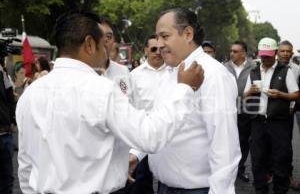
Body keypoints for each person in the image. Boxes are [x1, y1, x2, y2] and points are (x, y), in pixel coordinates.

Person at [15, 10, 204, 194]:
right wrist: (185, 89)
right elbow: (150, 136)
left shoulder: (29, 95)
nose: (106, 49)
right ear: (89, 44)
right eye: (102, 43)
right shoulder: (101, 90)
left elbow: (25, 167)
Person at [129, 8, 241, 194]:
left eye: (165, 36)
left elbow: (224, 146)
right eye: (157, 38)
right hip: (165, 187)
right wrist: (136, 154)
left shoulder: (213, 75)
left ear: (188, 34)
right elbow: (158, 121)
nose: (159, 44)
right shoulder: (167, 73)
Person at [244, 37, 300, 194]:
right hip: (258, 123)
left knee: (280, 160)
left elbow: (296, 94)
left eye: (268, 55)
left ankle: (280, 190)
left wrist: (280, 94)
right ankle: (260, 190)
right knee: (258, 161)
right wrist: (250, 91)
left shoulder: (285, 71)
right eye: (263, 55)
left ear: (275, 53)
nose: (265, 58)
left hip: (279, 123)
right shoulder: (254, 71)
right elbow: (244, 96)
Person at [129, 34, 167, 194]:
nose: (158, 52)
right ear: (146, 50)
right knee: (142, 181)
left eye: (161, 49)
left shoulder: (174, 72)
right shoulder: (134, 75)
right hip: (142, 137)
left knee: (167, 179)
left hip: (168, 136)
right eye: (153, 49)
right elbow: (129, 106)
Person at [224, 41, 255, 182]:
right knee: (227, 142)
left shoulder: (254, 67)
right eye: (231, 50)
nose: (232, 53)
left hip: (245, 111)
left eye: (235, 51)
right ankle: (227, 170)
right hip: (227, 112)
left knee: (243, 142)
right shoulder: (224, 67)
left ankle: (240, 169)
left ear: (244, 53)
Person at [277, 40, 300, 191]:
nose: (285, 53)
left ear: (292, 54)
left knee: (286, 146)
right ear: (277, 52)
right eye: (282, 51)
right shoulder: (269, 66)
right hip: (270, 114)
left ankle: (288, 176)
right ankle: (271, 174)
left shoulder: (297, 69)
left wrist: (291, 107)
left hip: (288, 113)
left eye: (288, 51)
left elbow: (296, 91)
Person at [98, 16, 132, 97]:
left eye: (108, 36)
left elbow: (129, 101)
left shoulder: (123, 71)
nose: (105, 40)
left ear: (113, 41)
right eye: (100, 35)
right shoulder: (84, 71)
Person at [0, 57, 16, 194]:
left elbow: (11, 99)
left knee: (7, 178)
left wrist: (13, 120)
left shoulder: (3, 75)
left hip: (5, 133)